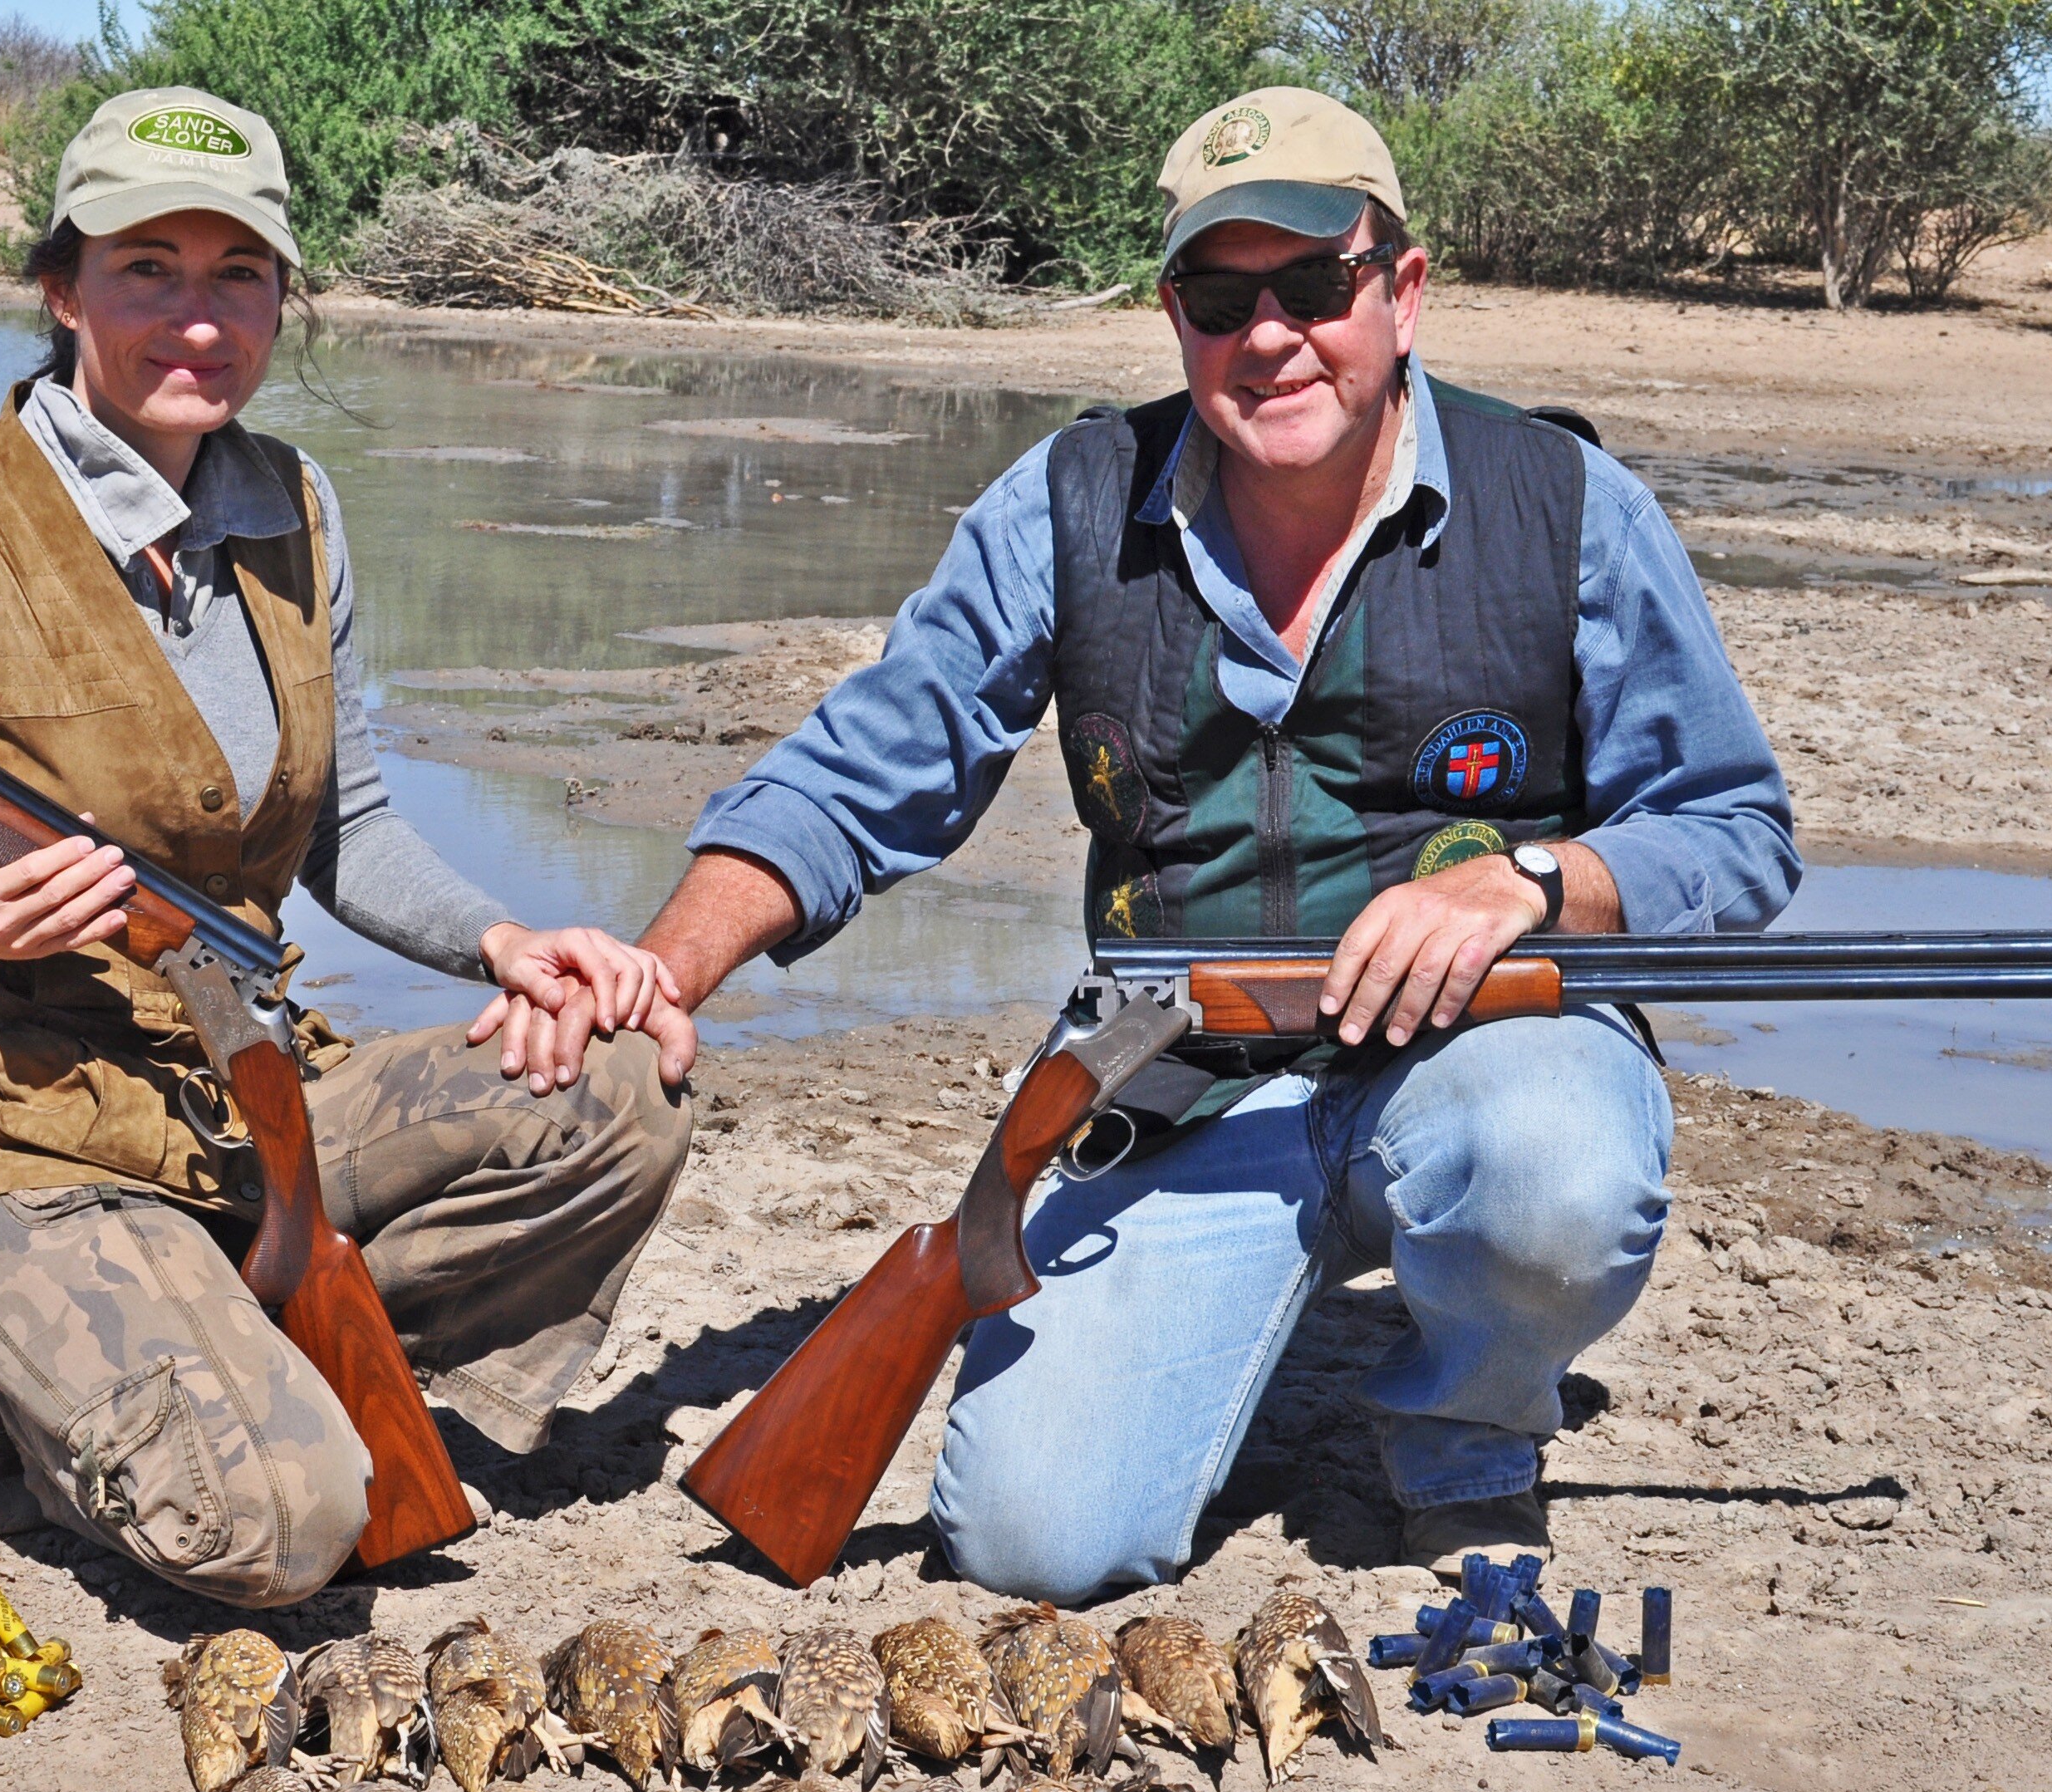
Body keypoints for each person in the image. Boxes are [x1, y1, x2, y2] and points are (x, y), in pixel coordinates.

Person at [635, 87, 1797, 1603]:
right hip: (1170, 1085)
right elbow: (867, 771)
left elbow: (1736, 830)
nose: (1273, 335)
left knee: (1556, 1174)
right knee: (1034, 1549)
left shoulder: (1569, 504)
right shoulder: (1063, 504)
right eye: (1219, 296)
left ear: (1403, 290)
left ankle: (1462, 1432)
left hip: (1479, 1063)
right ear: (1171, 313)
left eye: (1318, 285)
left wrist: (1531, 883)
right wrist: (664, 970)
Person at [0, 87, 695, 1608]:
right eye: (147, 267)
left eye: (240, 274)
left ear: (284, 297)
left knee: (621, 1081)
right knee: (284, 1525)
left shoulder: (295, 505)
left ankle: (214, 1346)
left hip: (236, 1095)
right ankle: (6, 1395)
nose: (198, 319)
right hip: (3, 1135)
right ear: (60, 286)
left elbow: (345, 823)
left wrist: (510, 945)